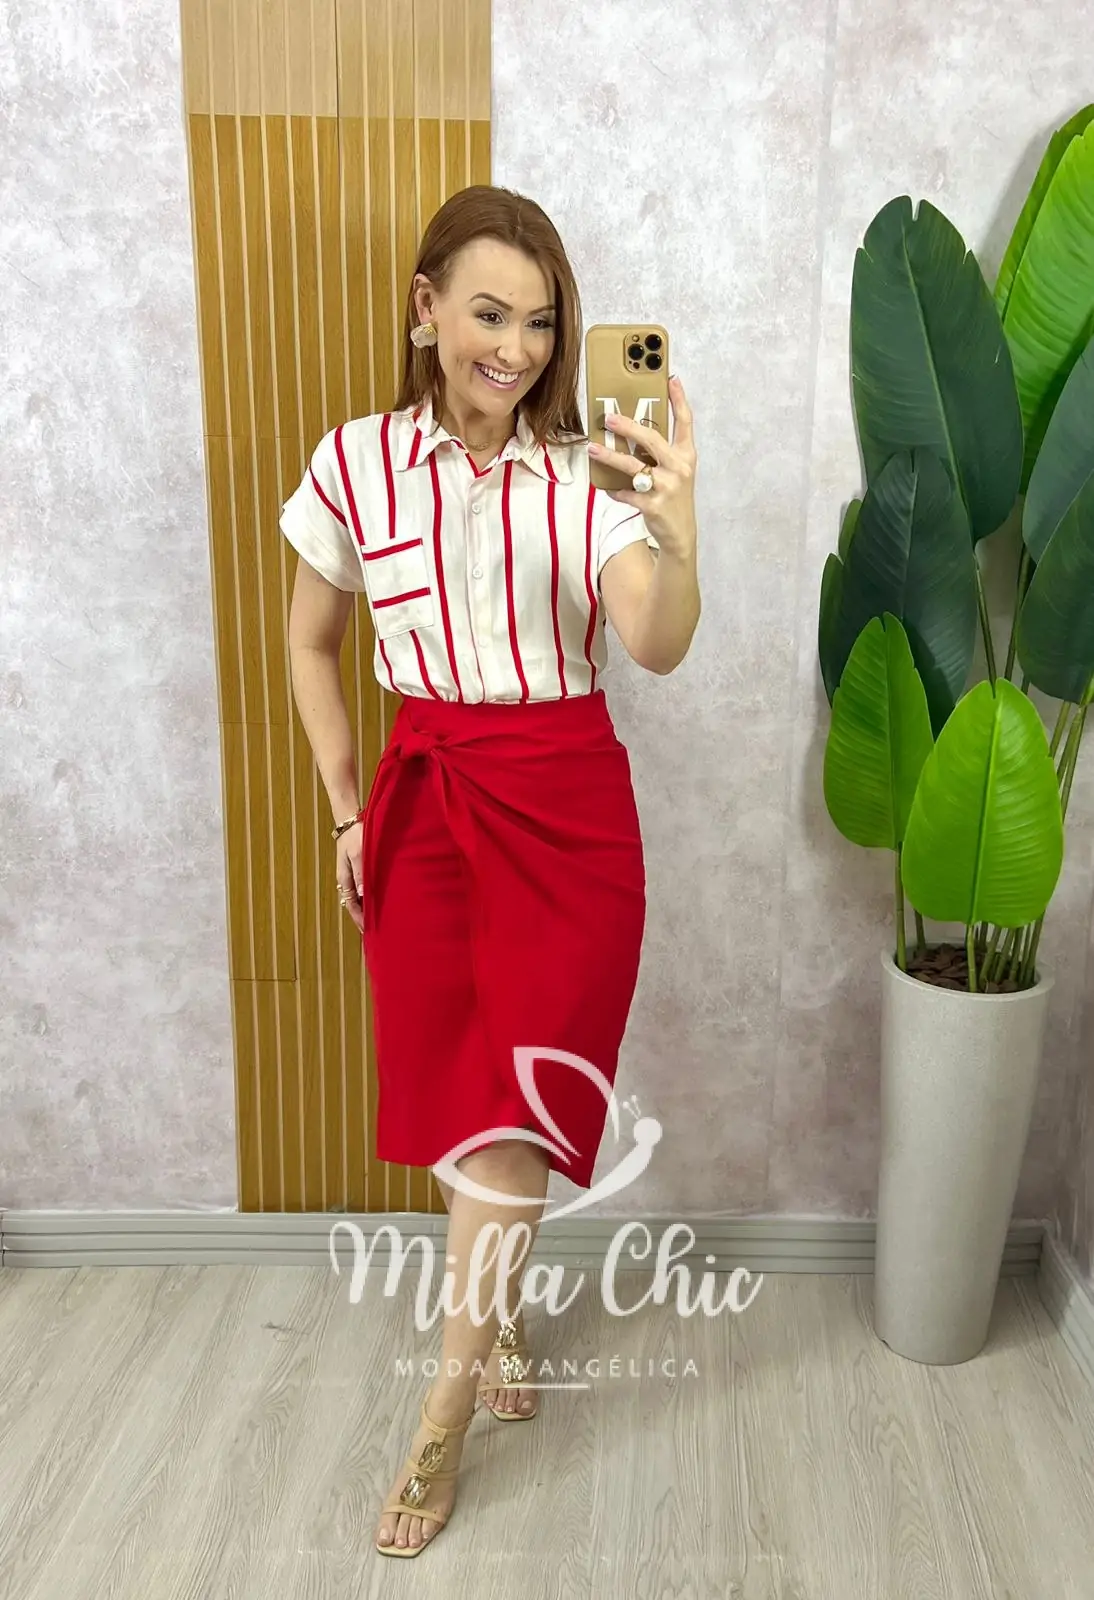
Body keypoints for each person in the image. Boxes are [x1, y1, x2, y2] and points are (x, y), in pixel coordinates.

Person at [280, 184, 701, 1559]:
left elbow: (656, 643)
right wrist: (347, 811)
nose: (513, 349)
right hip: (425, 809)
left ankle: (441, 1417)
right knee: (458, 1102)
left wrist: (677, 522)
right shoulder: (354, 463)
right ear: (426, 309)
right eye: (486, 313)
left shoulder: (586, 476)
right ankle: (500, 1309)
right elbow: (310, 643)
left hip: (568, 819)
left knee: (515, 1115)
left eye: (539, 323)